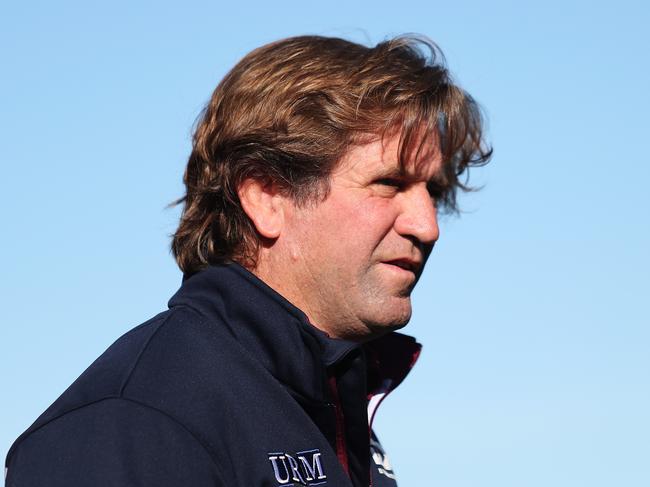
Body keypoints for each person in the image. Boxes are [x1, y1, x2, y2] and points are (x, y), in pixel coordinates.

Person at [5, 35, 491, 487]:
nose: (427, 226)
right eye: (389, 183)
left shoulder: (329, 410)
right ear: (266, 196)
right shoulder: (134, 422)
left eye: (433, 191)